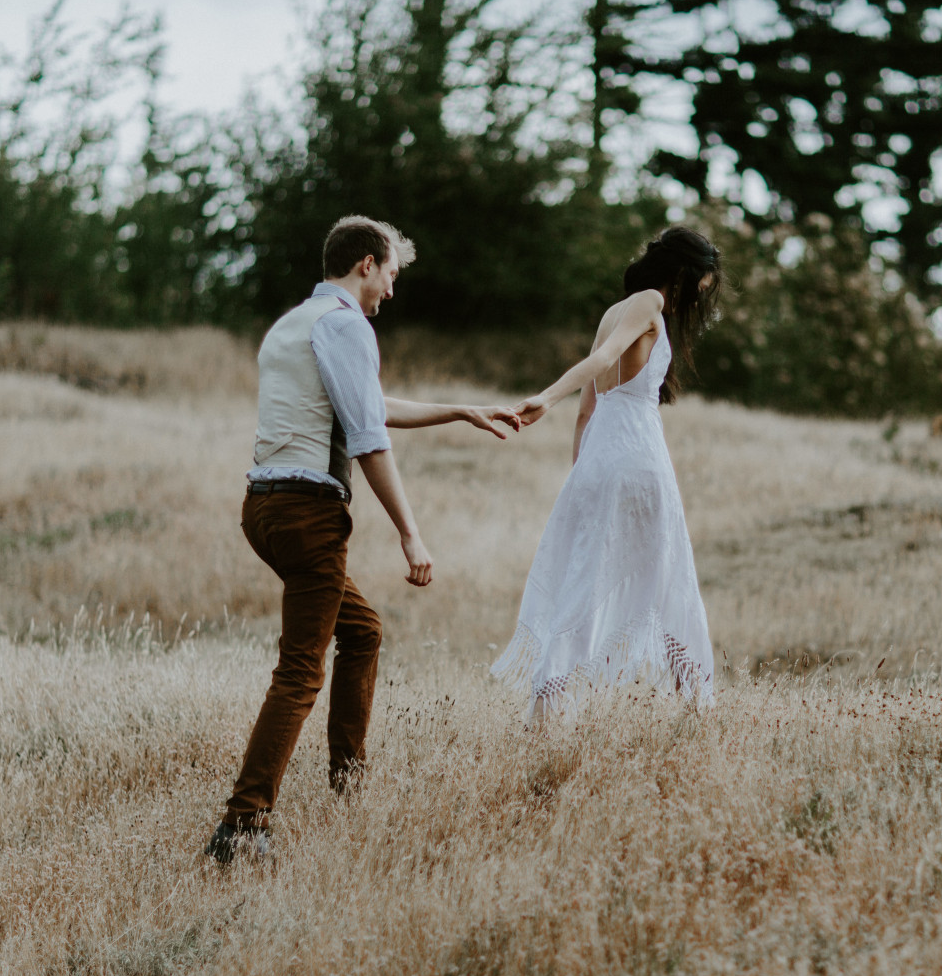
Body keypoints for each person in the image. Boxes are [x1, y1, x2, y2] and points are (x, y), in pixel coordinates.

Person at [206, 215, 520, 864]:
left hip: (262, 507)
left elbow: (368, 405)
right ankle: (244, 823)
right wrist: (412, 534)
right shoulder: (348, 324)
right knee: (301, 668)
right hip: (307, 511)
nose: (391, 296)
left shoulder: (298, 322)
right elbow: (369, 437)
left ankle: (347, 787)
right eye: (392, 278)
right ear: (367, 265)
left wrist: (461, 409)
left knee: (364, 631)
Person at [492, 227, 721, 720]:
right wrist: (545, 398)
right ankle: (697, 711)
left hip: (600, 459)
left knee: (584, 583)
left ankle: (545, 713)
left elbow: (587, 411)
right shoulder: (646, 306)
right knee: (669, 577)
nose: (697, 298)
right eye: (700, 285)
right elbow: (598, 362)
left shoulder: (612, 312)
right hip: (638, 457)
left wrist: (582, 476)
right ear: (682, 273)